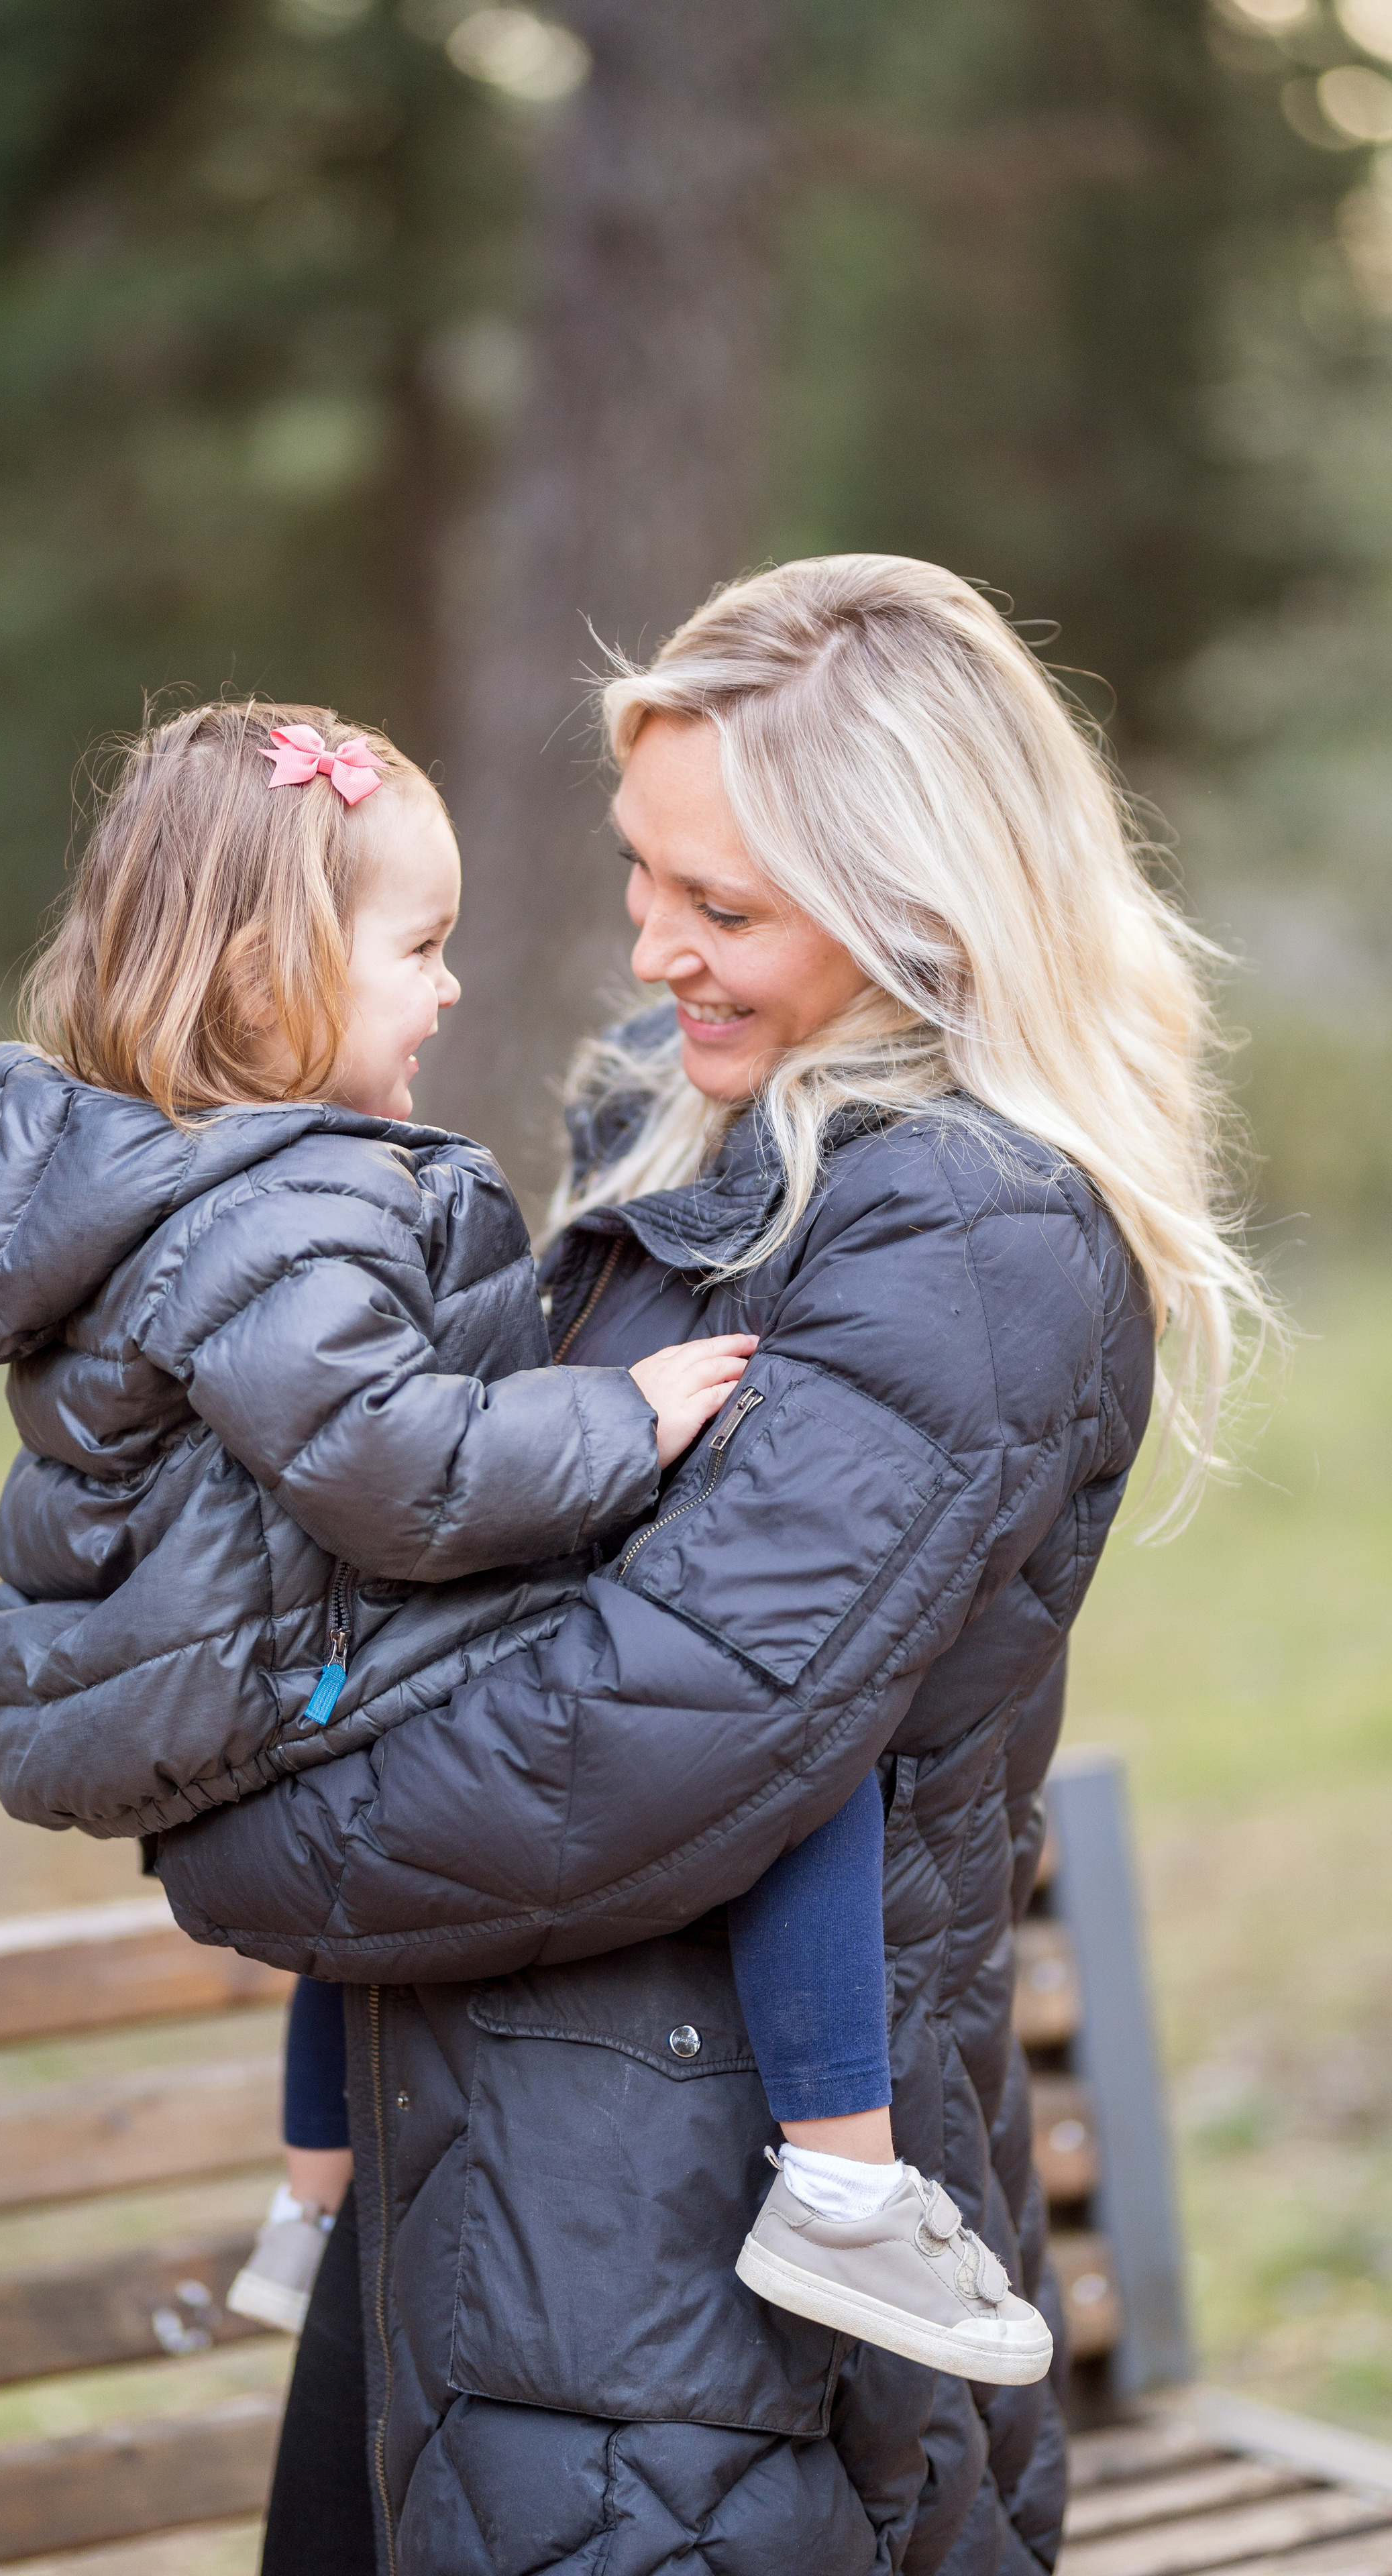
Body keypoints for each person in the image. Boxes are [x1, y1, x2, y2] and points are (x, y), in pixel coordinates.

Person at [148, 557, 1275, 2576]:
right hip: (499, 2198)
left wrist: (235, 1822)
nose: (651, 946)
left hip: (687, 2274)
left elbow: (648, 1748)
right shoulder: (678, 1127)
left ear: (929, 907)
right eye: (640, 873)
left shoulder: (966, 1230)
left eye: (724, 908)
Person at [0, 689, 1035, 2383]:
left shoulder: (162, 1177)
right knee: (799, 1739)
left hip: (241, 1666)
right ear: (266, 983)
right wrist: (619, 1420)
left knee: (383, 1781)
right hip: (289, 1658)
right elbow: (387, 1463)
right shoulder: (288, 1206)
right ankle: (842, 2184)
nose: (446, 989)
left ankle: (310, 2202)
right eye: (416, 950)